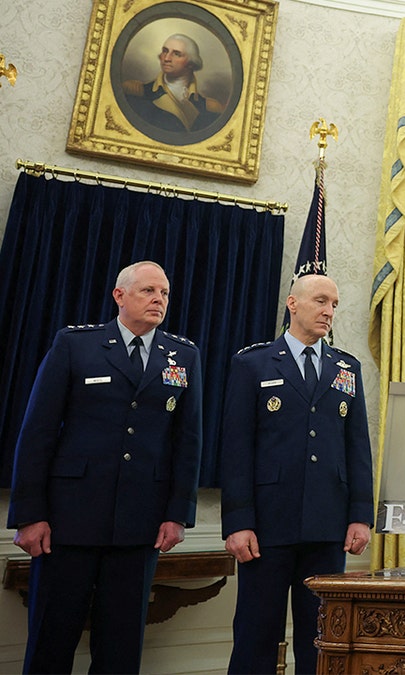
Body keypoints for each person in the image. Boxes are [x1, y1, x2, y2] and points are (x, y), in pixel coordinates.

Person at [7, 261, 202, 673]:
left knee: (121, 648)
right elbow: (37, 432)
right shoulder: (77, 345)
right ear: (120, 296)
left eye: (164, 293)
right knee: (51, 639)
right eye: (149, 291)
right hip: (67, 521)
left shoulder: (183, 355)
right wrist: (30, 515)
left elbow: (187, 442)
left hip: (140, 525)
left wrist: (177, 514)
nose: (158, 300)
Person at [221, 274, 373, 674]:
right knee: (256, 635)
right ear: (293, 303)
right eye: (321, 301)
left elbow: (357, 447)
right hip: (266, 528)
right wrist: (238, 522)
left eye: (335, 304)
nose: (329, 311)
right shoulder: (252, 363)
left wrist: (360, 515)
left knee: (322, 639)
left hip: (327, 527)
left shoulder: (346, 368)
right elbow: (236, 449)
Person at [122, 33, 224, 134]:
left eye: (176, 54)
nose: (166, 58)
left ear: (191, 63)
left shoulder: (210, 108)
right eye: (165, 51)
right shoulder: (135, 92)